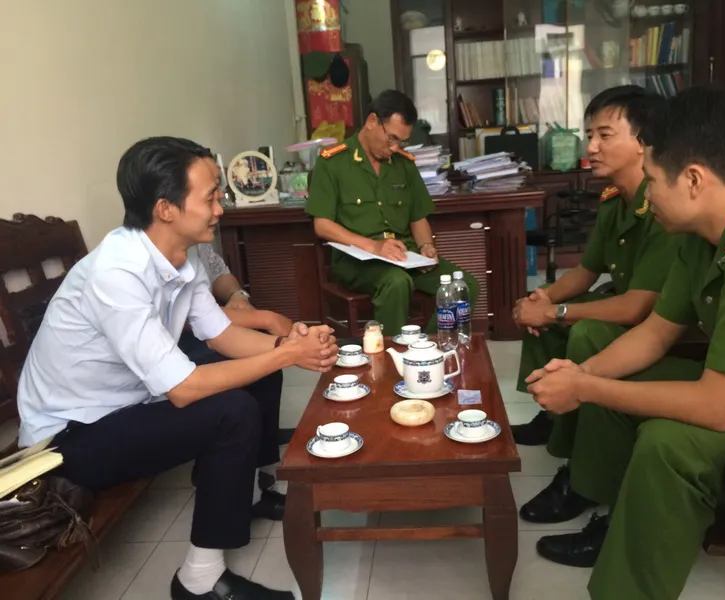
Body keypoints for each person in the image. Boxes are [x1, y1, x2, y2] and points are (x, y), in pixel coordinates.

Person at [16, 136, 340, 600]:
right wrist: (287, 353)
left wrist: (289, 345)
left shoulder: (179, 259)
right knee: (231, 412)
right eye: (210, 198)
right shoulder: (116, 272)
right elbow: (184, 389)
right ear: (166, 209)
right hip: (68, 438)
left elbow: (221, 336)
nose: (220, 209)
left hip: (128, 404)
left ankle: (249, 494)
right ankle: (198, 580)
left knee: (260, 369)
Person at [525, 86, 725, 600]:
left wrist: (586, 389)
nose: (646, 197)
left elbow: (717, 407)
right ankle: (611, 513)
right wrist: (582, 375)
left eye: (652, 180)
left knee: (668, 445)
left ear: (693, 179)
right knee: (612, 379)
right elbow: (654, 333)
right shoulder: (705, 234)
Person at [511, 87, 679, 526]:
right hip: (626, 308)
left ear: (643, 141)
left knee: (582, 329)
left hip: (659, 324)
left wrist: (557, 312)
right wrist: (544, 298)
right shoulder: (614, 199)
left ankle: (581, 471)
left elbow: (637, 308)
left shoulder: (665, 207)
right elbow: (586, 272)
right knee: (552, 314)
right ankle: (553, 414)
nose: (591, 147)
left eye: (604, 135)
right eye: (590, 135)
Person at [305, 89, 480, 336]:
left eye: (402, 142)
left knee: (464, 286)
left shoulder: (404, 164)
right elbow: (322, 225)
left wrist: (426, 246)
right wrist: (373, 246)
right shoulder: (333, 162)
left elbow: (418, 217)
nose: (395, 148)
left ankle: (429, 346)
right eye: (392, 138)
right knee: (396, 281)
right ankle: (389, 354)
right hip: (357, 262)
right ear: (372, 121)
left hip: (405, 256)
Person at [181, 242, 298, 515]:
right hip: (177, 345)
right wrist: (269, 325)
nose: (216, 219)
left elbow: (219, 276)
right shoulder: (147, 260)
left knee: (267, 364)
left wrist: (237, 295)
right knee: (246, 384)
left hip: (207, 331)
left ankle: (264, 467)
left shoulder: (195, 247)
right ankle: (228, 475)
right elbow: (186, 319)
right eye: (209, 199)